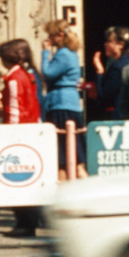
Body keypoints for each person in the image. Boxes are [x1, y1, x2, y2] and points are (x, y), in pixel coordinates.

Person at [0, 39, 42, 237]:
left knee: (14, 181)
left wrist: (9, 133)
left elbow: (15, 108)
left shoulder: (13, 78)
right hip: (30, 128)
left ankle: (24, 224)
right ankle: (28, 222)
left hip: (18, 132)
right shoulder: (27, 75)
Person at [41, 19, 86, 178]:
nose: (49, 38)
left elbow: (48, 73)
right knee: (75, 156)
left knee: (61, 157)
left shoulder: (63, 54)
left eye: (51, 35)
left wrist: (45, 53)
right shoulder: (71, 53)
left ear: (60, 35)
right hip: (70, 104)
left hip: (61, 104)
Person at [92, 26, 129, 120]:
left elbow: (104, 97)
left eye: (109, 41)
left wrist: (99, 72)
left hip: (118, 119)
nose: (105, 44)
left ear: (121, 45)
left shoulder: (118, 67)